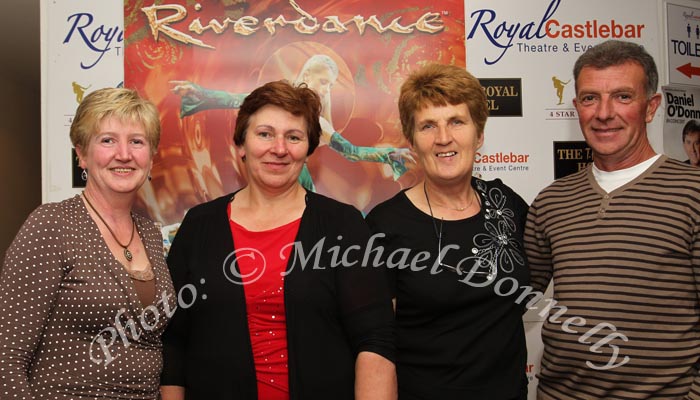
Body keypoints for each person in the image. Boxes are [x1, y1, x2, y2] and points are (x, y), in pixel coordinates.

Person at [160, 80, 396, 400]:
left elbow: (375, 341)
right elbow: (173, 342)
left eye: (294, 137)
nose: (279, 148)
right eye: (265, 134)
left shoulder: (344, 225)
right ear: (241, 144)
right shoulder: (199, 225)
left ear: (309, 149)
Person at [525, 39, 700, 399]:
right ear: (576, 107)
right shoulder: (552, 201)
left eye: (622, 96)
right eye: (590, 98)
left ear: (651, 107)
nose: (604, 113)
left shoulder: (693, 192)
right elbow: (510, 298)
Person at [365, 63, 530, 400]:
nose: (443, 138)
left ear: (479, 134)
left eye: (457, 121)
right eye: (428, 126)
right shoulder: (385, 226)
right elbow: (377, 346)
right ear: (412, 142)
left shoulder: (509, 206)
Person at [0, 88, 175, 399]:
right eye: (107, 140)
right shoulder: (51, 225)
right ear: (81, 154)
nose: (124, 154)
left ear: (151, 156)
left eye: (137, 141)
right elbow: (6, 358)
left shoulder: (149, 232)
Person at [170, 54, 415, 191]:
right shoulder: (271, 101)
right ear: (307, 75)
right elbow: (236, 99)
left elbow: (352, 152)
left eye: (330, 85)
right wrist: (199, 93)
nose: (326, 89)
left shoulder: (321, 123)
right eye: (323, 82)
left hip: (301, 188)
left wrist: (388, 155)